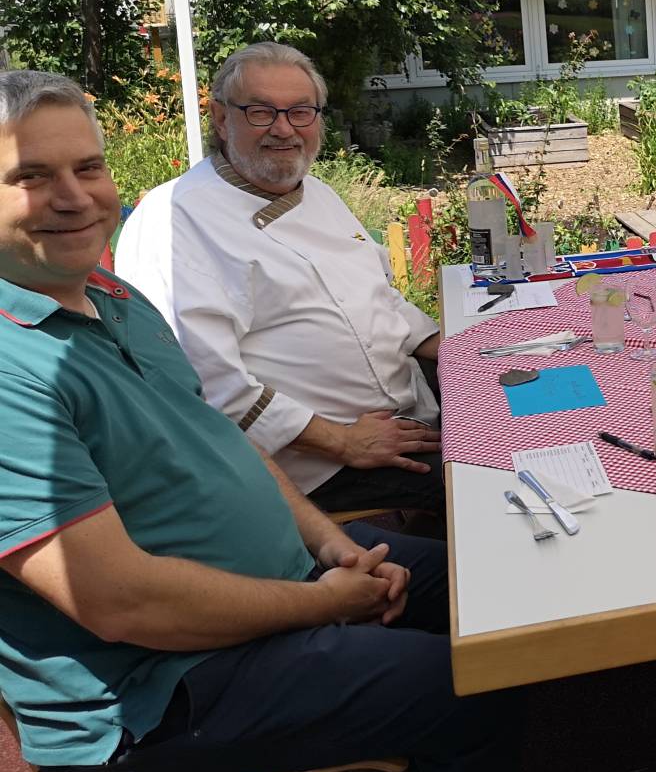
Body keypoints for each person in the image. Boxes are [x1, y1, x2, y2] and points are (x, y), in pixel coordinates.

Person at [0, 69, 557, 772]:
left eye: (87, 167)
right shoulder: (13, 367)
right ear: (221, 117)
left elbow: (220, 436)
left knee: (498, 598)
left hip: (278, 576)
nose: (73, 197)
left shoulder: (111, 298)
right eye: (31, 177)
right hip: (157, 692)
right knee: (473, 689)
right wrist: (320, 604)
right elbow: (122, 604)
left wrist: (331, 546)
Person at [116, 43, 445, 520]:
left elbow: (379, 297)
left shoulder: (319, 194)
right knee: (489, 483)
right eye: (261, 112)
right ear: (221, 118)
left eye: (300, 111)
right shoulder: (172, 220)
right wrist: (344, 442)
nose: (284, 128)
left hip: (406, 414)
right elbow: (207, 384)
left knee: (531, 409)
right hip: (316, 466)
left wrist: (456, 350)